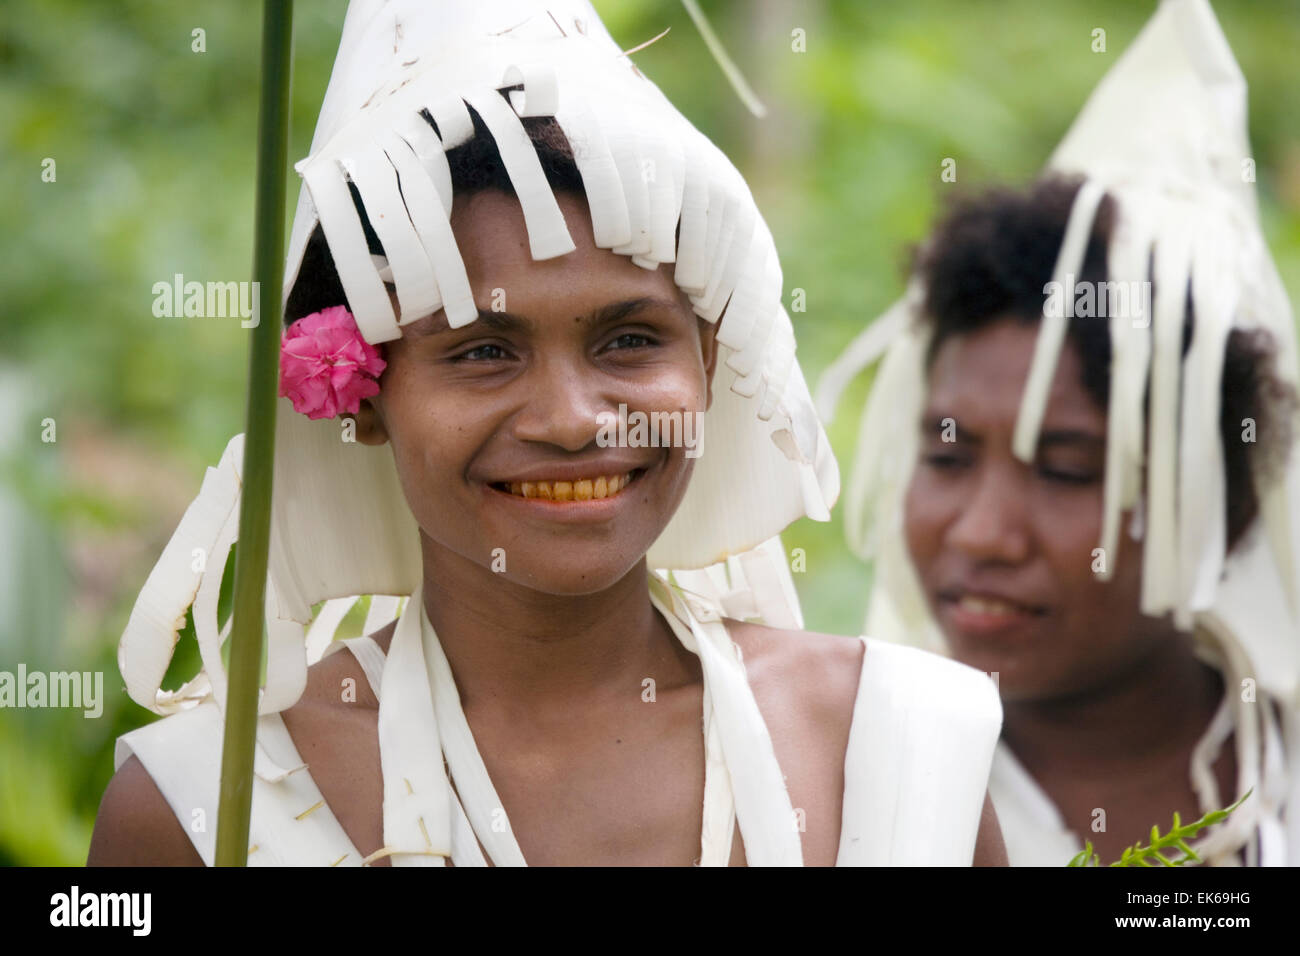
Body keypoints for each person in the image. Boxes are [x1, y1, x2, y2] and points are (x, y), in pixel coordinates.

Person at [88, 0, 1006, 866]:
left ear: (708, 355)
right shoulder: (205, 808)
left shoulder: (903, 746)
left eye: (631, 340)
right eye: (484, 351)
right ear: (363, 395)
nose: (572, 420)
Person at [818, 0, 1300, 866]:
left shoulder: (1282, 781)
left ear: (1221, 510)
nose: (980, 532)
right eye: (948, 457)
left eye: (1070, 470)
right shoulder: (837, 797)